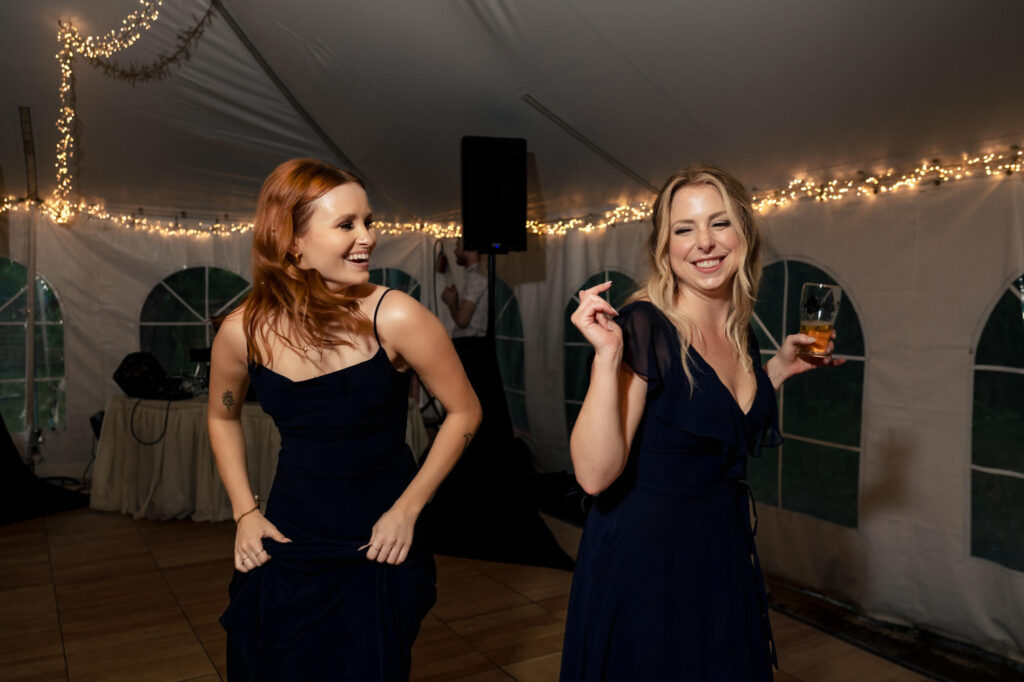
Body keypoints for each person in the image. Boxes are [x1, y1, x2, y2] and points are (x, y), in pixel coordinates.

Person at [560, 165, 843, 681]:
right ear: (664, 246)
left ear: (743, 233)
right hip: (647, 558)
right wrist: (606, 357)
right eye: (684, 229)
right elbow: (594, 476)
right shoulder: (644, 325)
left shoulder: (740, 331)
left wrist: (778, 370)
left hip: (721, 549)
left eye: (720, 223)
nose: (704, 243)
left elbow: (717, 423)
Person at [208, 158, 481, 681]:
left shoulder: (395, 316)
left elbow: (466, 411)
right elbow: (222, 418)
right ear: (292, 243)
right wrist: (245, 514)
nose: (368, 238)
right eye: (346, 224)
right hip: (288, 537)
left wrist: (407, 511)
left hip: (378, 540)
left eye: (368, 221)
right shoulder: (242, 331)